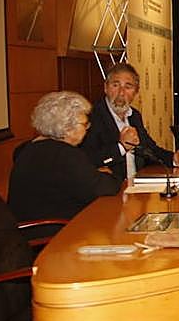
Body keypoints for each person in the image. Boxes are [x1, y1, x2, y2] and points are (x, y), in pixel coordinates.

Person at [10, 91, 120, 223]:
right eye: (84, 124)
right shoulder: (65, 155)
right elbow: (106, 188)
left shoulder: (27, 149)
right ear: (67, 127)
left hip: (29, 229)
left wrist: (92, 175)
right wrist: (106, 175)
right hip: (55, 232)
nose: (87, 129)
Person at [81, 62, 179, 180]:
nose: (121, 93)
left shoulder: (134, 116)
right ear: (106, 88)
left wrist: (174, 159)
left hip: (137, 187)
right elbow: (86, 160)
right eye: (115, 85)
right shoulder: (92, 117)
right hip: (110, 190)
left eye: (128, 87)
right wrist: (121, 147)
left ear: (135, 92)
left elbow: (150, 149)